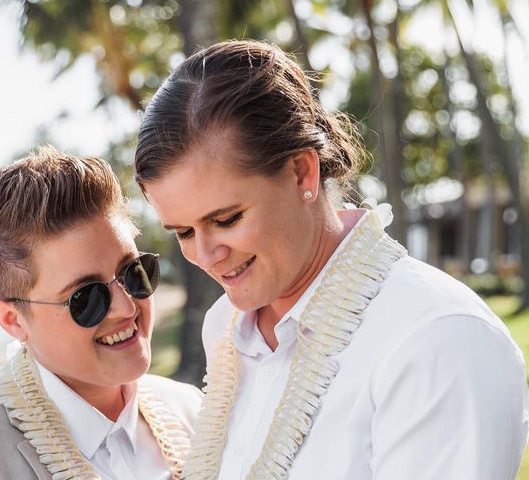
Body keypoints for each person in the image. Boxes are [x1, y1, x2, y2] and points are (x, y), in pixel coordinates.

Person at [134, 39, 529, 480]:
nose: (205, 256)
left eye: (226, 219)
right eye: (184, 232)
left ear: (303, 171)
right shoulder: (224, 326)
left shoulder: (438, 341)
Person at [0, 145, 202, 480]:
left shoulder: (193, 413)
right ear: (12, 319)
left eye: (134, 272)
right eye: (86, 298)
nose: (126, 306)